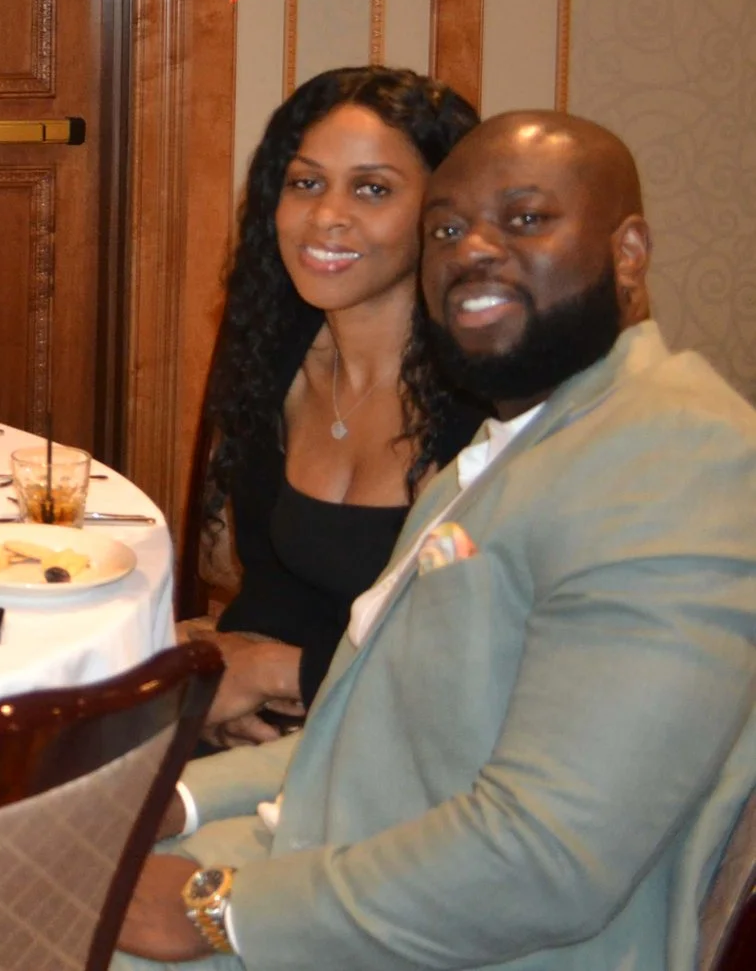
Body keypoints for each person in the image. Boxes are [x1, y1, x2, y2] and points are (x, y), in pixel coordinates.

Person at [116, 112, 756, 968]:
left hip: (464, 940)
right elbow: (381, 732)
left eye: (525, 218)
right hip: (339, 861)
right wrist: (179, 796)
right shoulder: (526, 439)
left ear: (629, 251)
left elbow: (548, 862)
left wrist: (217, 909)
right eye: (447, 229)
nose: (474, 249)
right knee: (13, 869)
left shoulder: (671, 459)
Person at [183, 67, 486, 748]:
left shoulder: (484, 403)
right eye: (306, 183)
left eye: (372, 188)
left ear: (442, 213)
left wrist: (275, 672)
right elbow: (271, 583)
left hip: (414, 746)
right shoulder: (272, 348)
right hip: (273, 724)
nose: (326, 216)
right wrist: (230, 690)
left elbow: (476, 654)